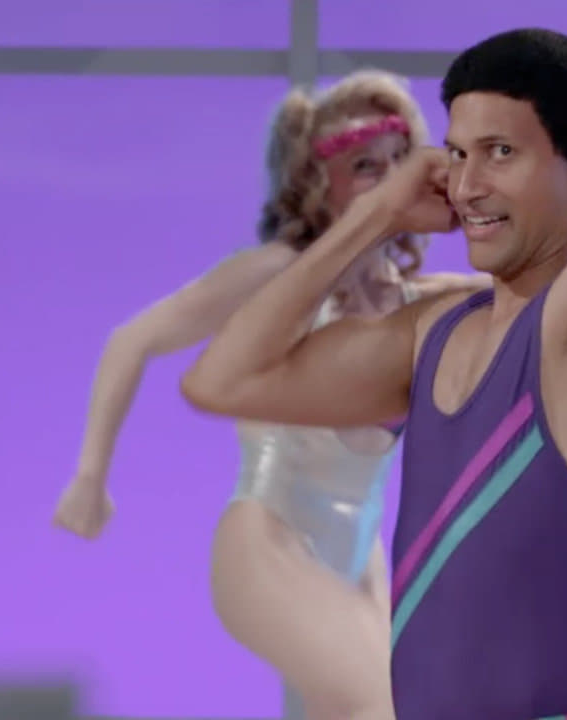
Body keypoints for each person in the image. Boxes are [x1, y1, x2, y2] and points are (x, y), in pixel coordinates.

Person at [181, 4, 567, 719]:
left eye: (500, 152)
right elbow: (226, 380)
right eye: (456, 154)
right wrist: (376, 216)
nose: (466, 185)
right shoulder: (432, 331)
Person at [54, 71, 486, 720]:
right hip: (266, 542)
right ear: (318, 182)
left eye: (400, 160)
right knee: (382, 706)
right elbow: (132, 340)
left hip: (359, 556)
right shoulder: (278, 276)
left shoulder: (415, 299)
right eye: (365, 166)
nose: (390, 181)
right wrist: (90, 478)